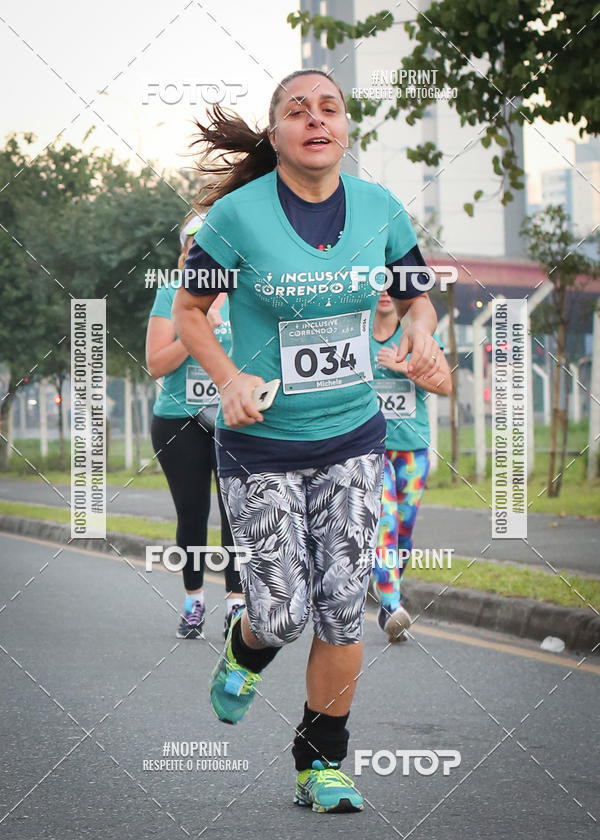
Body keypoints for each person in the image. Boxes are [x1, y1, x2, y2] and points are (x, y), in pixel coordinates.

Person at [173, 69, 443, 814]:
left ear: (345, 127)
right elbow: (192, 311)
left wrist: (419, 339)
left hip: (354, 436)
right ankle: (246, 648)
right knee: (284, 613)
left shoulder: (382, 210)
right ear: (276, 133)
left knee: (341, 604)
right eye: (298, 110)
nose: (315, 119)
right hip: (261, 443)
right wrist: (227, 377)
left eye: (329, 108)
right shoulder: (236, 218)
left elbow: (418, 299)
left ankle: (320, 763)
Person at [146, 214, 244, 640]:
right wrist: (194, 332)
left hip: (234, 419)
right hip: (179, 420)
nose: (201, 252)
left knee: (236, 513)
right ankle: (193, 601)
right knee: (193, 513)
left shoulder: (243, 295)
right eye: (193, 245)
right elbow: (155, 364)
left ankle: (237, 607)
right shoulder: (170, 294)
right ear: (184, 252)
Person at [370, 289, 452, 642]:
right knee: (384, 522)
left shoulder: (420, 336)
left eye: (393, 283)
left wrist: (403, 366)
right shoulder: (354, 337)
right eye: (379, 282)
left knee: (402, 530)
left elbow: (445, 385)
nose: (386, 291)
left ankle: (390, 593)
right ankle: (390, 605)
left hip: (413, 449)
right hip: (370, 449)